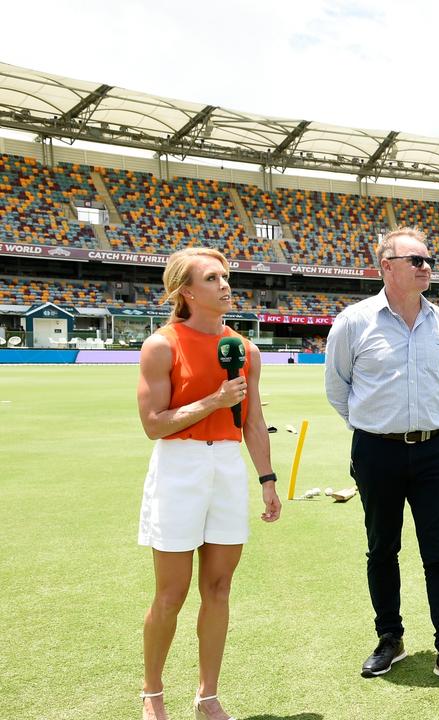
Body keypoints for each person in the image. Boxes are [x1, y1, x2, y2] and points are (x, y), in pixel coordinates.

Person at [324, 226, 439, 691]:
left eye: (427, 260)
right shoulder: (354, 322)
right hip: (377, 450)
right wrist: (376, 428)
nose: (426, 266)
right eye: (415, 260)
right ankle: (389, 638)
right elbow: (338, 389)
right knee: (382, 549)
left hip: (434, 448)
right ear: (386, 267)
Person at [136, 247, 281, 720]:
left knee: (218, 587)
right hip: (178, 466)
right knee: (171, 593)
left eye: (226, 276)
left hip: (226, 467)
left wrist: (267, 480)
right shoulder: (162, 345)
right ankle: (153, 694)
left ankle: (207, 697)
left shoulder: (246, 349)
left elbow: (253, 422)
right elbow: (154, 425)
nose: (225, 285)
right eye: (213, 278)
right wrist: (214, 400)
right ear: (185, 292)